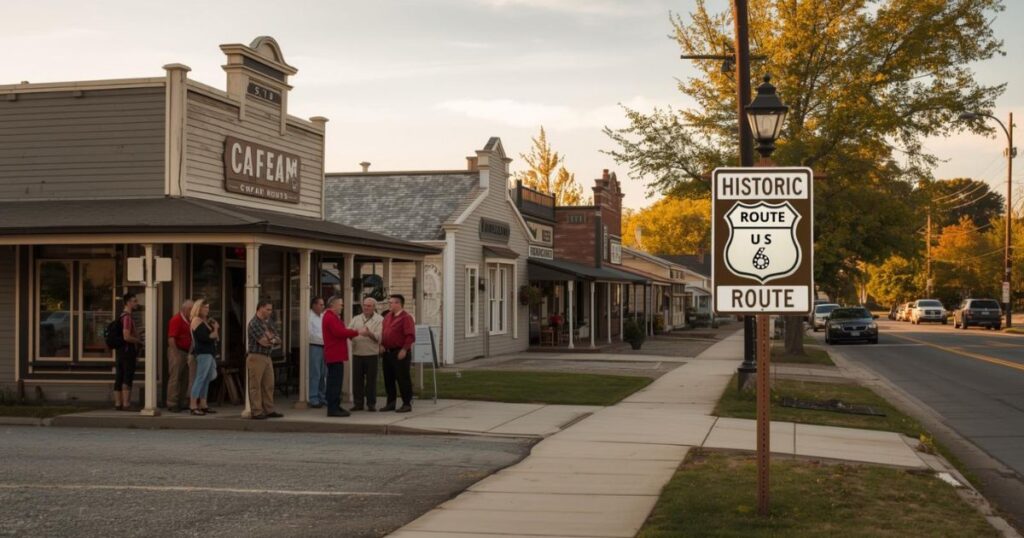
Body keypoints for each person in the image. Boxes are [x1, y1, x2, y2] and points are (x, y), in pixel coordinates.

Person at [322, 296, 364, 417]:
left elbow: (340, 331)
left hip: (336, 354)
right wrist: (357, 332)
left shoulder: (332, 317)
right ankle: (332, 408)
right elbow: (339, 332)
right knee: (334, 382)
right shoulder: (330, 317)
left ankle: (335, 405)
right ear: (333, 305)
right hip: (334, 354)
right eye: (340, 304)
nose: (342, 306)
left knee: (336, 381)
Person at [246, 300, 284, 420]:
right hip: (256, 356)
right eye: (267, 309)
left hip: (267, 356)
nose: (270, 312)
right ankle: (256, 411)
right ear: (260, 308)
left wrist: (271, 338)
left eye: (270, 310)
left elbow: (278, 339)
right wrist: (271, 339)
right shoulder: (254, 323)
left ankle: (269, 409)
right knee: (255, 385)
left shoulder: (268, 323)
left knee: (269, 384)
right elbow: (263, 341)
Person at [380, 294, 415, 413]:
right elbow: (384, 333)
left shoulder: (406, 318)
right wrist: (382, 345)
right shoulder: (388, 316)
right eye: (389, 302)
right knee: (388, 379)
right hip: (387, 352)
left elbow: (410, 336)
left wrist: (404, 349)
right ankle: (391, 403)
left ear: (398, 304)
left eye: (391, 302)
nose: (389, 304)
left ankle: (406, 403)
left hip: (399, 352)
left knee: (403, 378)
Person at [348, 297, 383, 411]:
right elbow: (348, 331)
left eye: (369, 306)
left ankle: (371, 404)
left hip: (372, 354)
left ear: (374, 307)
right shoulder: (356, 318)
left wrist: (369, 334)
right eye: (364, 305)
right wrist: (352, 334)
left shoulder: (380, 319)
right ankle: (358, 403)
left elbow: (379, 337)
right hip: (357, 353)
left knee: (371, 381)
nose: (366, 308)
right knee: (357, 381)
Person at [189, 299, 220, 416]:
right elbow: (206, 337)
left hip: (209, 353)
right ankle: (193, 405)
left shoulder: (204, 321)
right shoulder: (196, 320)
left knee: (207, 379)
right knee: (200, 378)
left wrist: (214, 331)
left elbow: (216, 338)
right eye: (204, 307)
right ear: (198, 308)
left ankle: (203, 404)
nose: (206, 310)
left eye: (207, 307)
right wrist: (216, 329)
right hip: (203, 353)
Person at [114, 292, 142, 411]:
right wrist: (139, 341)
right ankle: (126, 403)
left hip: (121, 350)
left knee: (119, 375)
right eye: (134, 301)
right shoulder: (127, 318)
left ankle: (118, 403)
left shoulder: (121, 316)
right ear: (128, 303)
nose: (136, 303)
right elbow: (126, 336)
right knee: (127, 375)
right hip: (127, 350)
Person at [165, 299, 194, 413]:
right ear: (186, 309)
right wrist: (175, 353)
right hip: (177, 350)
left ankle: (182, 401)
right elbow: (171, 338)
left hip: (187, 351)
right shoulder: (176, 319)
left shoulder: (189, 320)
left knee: (185, 378)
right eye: (191, 309)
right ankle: (172, 403)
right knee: (175, 377)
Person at [307, 296, 327, 408]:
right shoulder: (309, 317)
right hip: (315, 346)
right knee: (315, 373)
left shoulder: (323, 316)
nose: (323, 307)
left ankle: (322, 396)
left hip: (325, 347)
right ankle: (313, 397)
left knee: (324, 373)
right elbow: (311, 334)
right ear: (314, 305)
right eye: (321, 304)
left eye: (323, 305)